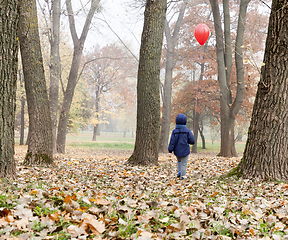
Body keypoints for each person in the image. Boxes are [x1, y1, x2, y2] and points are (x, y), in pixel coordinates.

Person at [168, 114, 195, 180]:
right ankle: (182, 177)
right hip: (185, 151)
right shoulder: (187, 131)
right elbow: (192, 141)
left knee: (179, 161)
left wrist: (170, 150)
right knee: (184, 164)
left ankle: (179, 172)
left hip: (177, 151)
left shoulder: (174, 131)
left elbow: (172, 142)